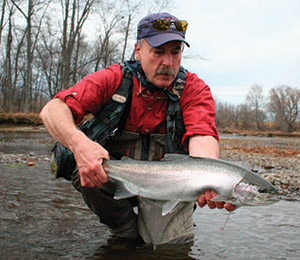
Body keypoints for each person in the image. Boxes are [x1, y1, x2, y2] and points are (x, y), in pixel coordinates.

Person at [40, 12, 235, 244]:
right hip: (113, 178)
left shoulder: (194, 89)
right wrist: (80, 145)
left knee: (168, 248)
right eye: (158, 52)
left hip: (171, 185)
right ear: (138, 51)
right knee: (85, 171)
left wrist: (210, 182)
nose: (168, 62)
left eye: (175, 52)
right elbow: (52, 110)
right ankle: (125, 232)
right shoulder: (114, 78)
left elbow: (203, 137)